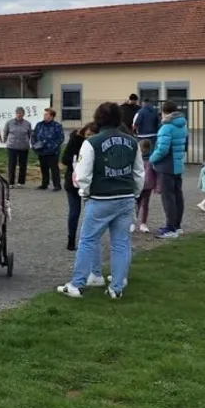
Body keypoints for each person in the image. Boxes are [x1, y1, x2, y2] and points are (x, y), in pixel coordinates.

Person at [57, 103, 144, 300]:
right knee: (121, 243)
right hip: (125, 197)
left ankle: (78, 284)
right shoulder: (132, 142)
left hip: (100, 198)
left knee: (88, 240)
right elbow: (139, 172)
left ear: (98, 119)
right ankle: (117, 287)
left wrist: (84, 193)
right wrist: (135, 193)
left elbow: (83, 174)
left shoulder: (92, 142)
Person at [149, 101, 187, 239]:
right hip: (177, 164)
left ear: (163, 112)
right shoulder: (182, 125)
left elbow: (162, 149)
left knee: (168, 197)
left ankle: (170, 227)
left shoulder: (166, 128)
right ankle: (177, 225)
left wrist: (152, 159)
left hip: (166, 165)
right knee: (177, 195)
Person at [60, 123, 97, 251]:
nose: (89, 138)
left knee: (90, 212)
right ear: (83, 133)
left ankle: (87, 239)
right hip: (74, 181)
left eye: (92, 135)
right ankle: (71, 239)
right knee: (74, 212)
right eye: (88, 135)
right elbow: (65, 159)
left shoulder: (95, 144)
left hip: (90, 181)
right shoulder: (75, 141)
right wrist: (77, 161)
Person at [31, 108, 64, 191]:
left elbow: (60, 138)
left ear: (52, 116)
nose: (45, 116)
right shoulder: (39, 125)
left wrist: (52, 148)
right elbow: (34, 135)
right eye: (44, 114)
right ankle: (44, 184)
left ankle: (57, 185)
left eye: (47, 114)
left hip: (53, 152)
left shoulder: (57, 126)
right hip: (41, 151)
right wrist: (35, 145)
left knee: (54, 169)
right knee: (43, 168)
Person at [2, 107, 33, 187]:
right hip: (12, 146)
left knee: (23, 165)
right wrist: (5, 141)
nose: (19, 115)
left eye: (21, 113)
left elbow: (30, 134)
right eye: (18, 113)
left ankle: (21, 182)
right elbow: (5, 133)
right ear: (15, 114)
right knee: (12, 165)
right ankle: (11, 182)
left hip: (24, 147)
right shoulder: (9, 123)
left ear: (23, 114)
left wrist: (28, 142)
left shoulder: (27, 124)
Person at [133, 138, 156, 234]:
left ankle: (143, 223)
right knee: (135, 204)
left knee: (145, 204)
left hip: (147, 185)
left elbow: (155, 174)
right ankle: (133, 223)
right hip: (137, 184)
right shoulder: (135, 159)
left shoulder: (152, 160)